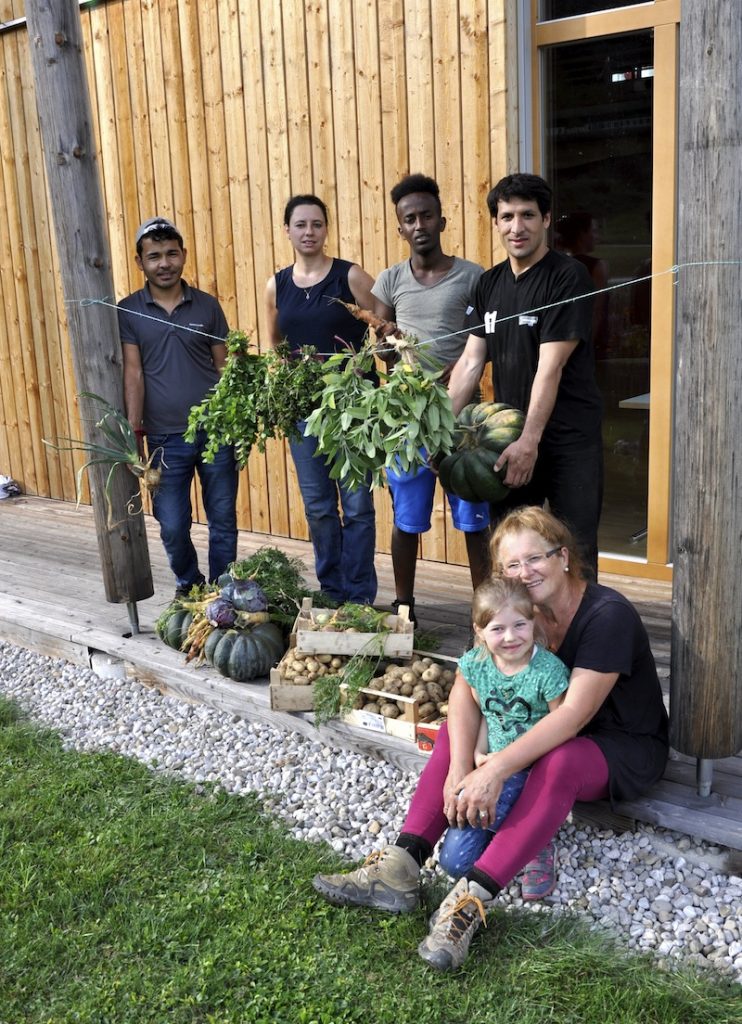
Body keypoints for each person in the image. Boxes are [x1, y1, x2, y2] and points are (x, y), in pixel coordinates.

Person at [313, 506, 669, 972]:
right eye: (512, 565)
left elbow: (573, 718)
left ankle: (468, 904)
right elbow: (466, 689)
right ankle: (399, 866)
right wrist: (463, 766)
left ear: (564, 558)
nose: (525, 573)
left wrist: (495, 769)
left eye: (536, 558)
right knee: (454, 731)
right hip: (540, 732)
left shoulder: (608, 615)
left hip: (617, 744)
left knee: (558, 760)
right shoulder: (509, 613)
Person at [448, 173, 604, 576]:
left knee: (576, 549)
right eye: (507, 216)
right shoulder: (488, 284)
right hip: (508, 440)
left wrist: (530, 441)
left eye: (528, 215)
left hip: (567, 439)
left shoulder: (568, 277)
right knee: (512, 552)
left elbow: (549, 368)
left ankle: (580, 638)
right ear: (496, 223)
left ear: (547, 219)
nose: (517, 227)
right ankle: (519, 639)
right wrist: (440, 435)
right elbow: (469, 363)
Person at [372, 174, 488, 621]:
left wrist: (453, 376)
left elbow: (481, 345)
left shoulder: (472, 277)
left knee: (474, 522)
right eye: (409, 218)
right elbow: (379, 351)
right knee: (407, 520)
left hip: (463, 421)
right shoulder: (390, 281)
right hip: (408, 422)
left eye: (426, 215)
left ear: (442, 220)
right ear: (399, 227)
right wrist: (386, 344)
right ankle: (405, 607)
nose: (419, 224)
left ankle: (484, 610)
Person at [265, 195, 377, 605]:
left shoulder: (351, 277)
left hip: (352, 411)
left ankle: (360, 595)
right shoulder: (276, 285)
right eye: (300, 225)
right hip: (304, 416)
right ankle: (332, 590)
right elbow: (275, 344)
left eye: (316, 224)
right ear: (288, 230)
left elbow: (381, 327)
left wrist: (361, 367)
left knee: (358, 505)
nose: (308, 232)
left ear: (326, 228)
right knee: (318, 506)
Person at [119, 217, 238, 597]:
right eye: (154, 256)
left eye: (171, 253)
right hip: (163, 439)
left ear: (183, 255)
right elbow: (133, 374)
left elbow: (224, 368)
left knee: (222, 518)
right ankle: (190, 584)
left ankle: (222, 591)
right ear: (140, 262)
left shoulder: (206, 306)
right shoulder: (129, 311)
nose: (164, 263)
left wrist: (234, 420)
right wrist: (134, 434)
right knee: (171, 522)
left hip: (216, 432)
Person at [435, 577, 569, 881]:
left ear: (533, 621)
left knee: (505, 810)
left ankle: (536, 840)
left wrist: (504, 765)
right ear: (479, 631)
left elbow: (560, 727)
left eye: (519, 625)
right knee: (455, 864)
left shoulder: (547, 672)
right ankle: (506, 833)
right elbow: (487, 713)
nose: (510, 637)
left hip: (532, 770)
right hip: (489, 764)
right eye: (497, 629)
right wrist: (479, 752)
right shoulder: (477, 664)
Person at [554, 211, 610, 359]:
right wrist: (587, 348)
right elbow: (596, 311)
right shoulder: (595, 267)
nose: (597, 236)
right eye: (594, 231)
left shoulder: (557, 265)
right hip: (589, 345)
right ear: (582, 235)